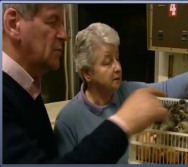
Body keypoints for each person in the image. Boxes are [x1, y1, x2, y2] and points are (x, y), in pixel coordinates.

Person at [2, 4, 169, 164]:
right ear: (13, 23)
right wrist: (122, 124)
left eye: (63, 24)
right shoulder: (7, 99)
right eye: (52, 22)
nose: (64, 35)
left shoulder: (28, 90)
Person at [54, 22, 188, 163]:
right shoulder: (68, 121)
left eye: (118, 58)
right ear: (86, 73)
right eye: (108, 62)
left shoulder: (130, 91)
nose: (117, 67)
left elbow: (168, 88)